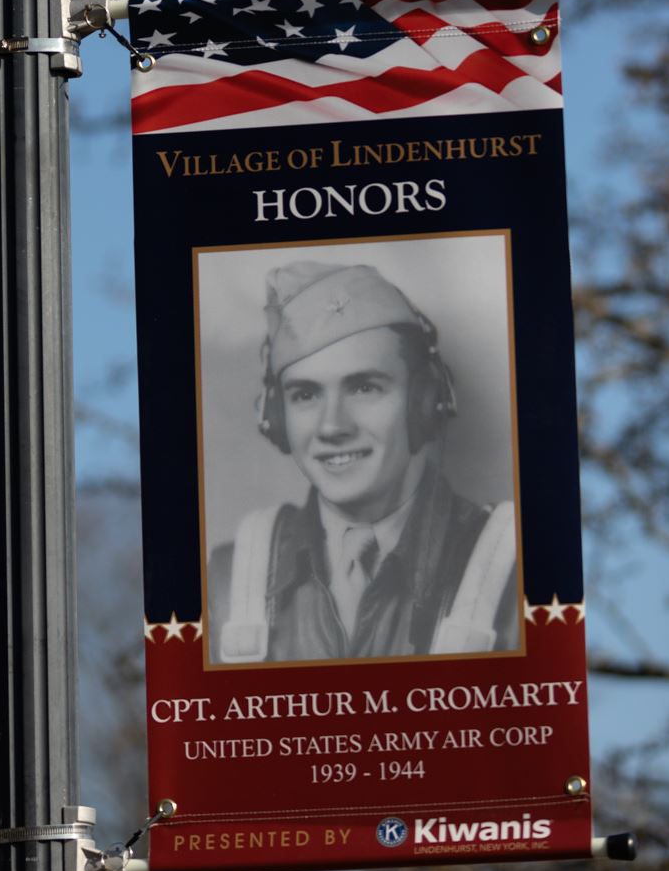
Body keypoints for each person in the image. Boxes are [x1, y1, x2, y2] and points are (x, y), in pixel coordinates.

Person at [207, 260, 518, 664]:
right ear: (276, 417)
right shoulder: (225, 583)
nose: (332, 426)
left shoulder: (513, 570)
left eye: (364, 387)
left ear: (424, 402)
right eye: (305, 395)